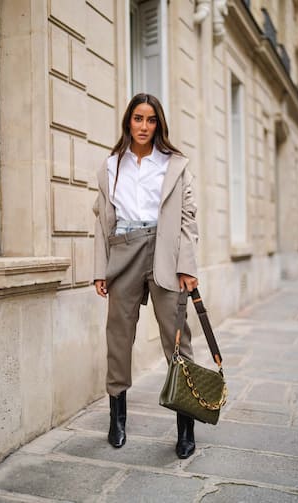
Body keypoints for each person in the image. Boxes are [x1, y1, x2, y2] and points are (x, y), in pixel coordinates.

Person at [93, 93, 199, 459]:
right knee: (118, 337)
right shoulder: (111, 166)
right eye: (138, 118)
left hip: (164, 252)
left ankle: (187, 425)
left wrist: (187, 266)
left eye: (151, 120)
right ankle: (117, 418)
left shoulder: (173, 164)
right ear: (128, 122)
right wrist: (99, 269)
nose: (143, 126)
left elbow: (187, 219)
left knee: (177, 338)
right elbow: (102, 222)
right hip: (123, 250)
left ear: (159, 124)